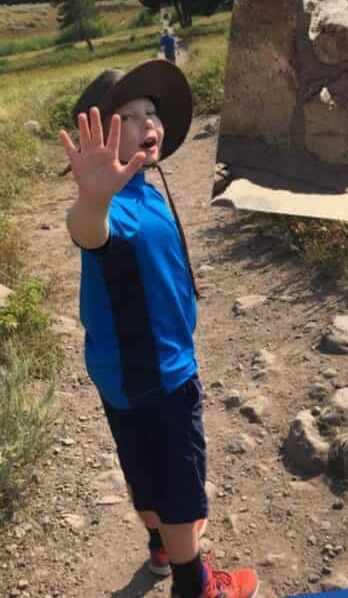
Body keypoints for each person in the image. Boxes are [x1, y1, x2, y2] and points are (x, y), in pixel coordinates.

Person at [58, 60, 259, 598]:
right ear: (97, 133)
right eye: (128, 115)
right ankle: (196, 584)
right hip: (160, 375)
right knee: (179, 484)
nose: (149, 121)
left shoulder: (143, 185)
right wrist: (93, 198)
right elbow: (86, 230)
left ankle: (160, 545)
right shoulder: (109, 208)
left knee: (144, 468)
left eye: (152, 111)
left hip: (121, 371)